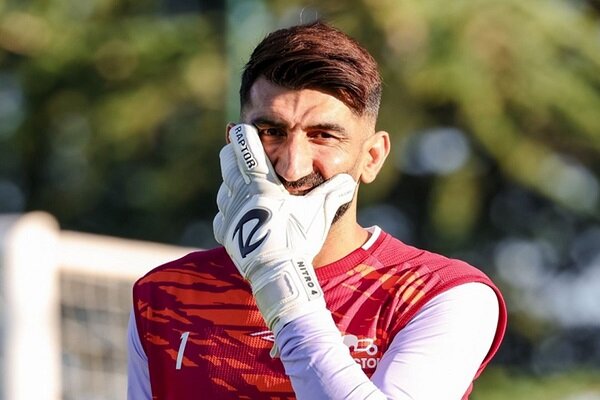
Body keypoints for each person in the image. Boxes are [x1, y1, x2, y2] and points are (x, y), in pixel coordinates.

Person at [127, 21, 507, 400]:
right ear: (234, 144)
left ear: (372, 158)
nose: (293, 166)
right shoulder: (164, 294)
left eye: (323, 136)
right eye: (271, 132)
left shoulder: (443, 294)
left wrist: (281, 280)